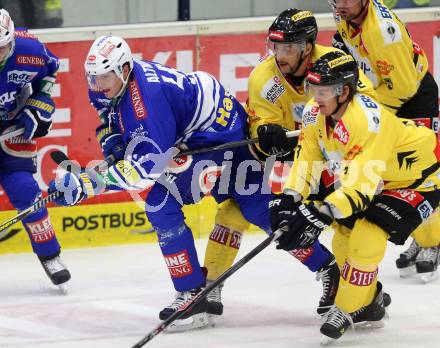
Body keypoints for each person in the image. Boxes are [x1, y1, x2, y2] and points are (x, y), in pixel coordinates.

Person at [47, 34, 319, 331]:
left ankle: (193, 294)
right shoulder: (112, 83)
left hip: (217, 136)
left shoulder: (147, 102)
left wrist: (88, 184)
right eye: (92, 77)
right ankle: (329, 269)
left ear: (124, 69)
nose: (96, 85)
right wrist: (113, 142)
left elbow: (145, 170)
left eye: (103, 78)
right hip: (209, 128)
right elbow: (106, 116)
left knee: (161, 204)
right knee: (254, 204)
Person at [203, 8, 379, 316]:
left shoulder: (337, 64)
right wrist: (266, 134)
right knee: (232, 212)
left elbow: (368, 106)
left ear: (307, 47)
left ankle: (362, 296)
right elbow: (261, 132)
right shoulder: (264, 77)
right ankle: (211, 286)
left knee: (345, 224)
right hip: (294, 156)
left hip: (334, 154)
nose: (279, 55)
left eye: (288, 48)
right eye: (276, 47)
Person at [269, 51, 440, 342]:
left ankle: (347, 308)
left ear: (344, 91)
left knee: (367, 235)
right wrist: (290, 197)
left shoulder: (367, 121)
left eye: (322, 91)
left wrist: (319, 213)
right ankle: (369, 302)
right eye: (313, 89)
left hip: (421, 178)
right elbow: (308, 158)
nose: (315, 97)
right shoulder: (315, 112)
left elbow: (359, 188)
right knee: (343, 237)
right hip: (380, 179)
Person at [328, 0, 440, 280]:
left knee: (418, 176)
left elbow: (402, 89)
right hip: (385, 98)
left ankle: (433, 241)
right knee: (392, 177)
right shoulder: (347, 14)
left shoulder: (382, 31)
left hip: (413, 102)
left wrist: (364, 115)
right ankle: (424, 236)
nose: (340, 4)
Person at [0, 9, 70, 288]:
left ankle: (50, 256)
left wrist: (41, 101)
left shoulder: (30, 49)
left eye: (2, 47)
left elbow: (51, 70)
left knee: (25, 190)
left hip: (12, 128)